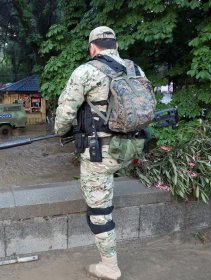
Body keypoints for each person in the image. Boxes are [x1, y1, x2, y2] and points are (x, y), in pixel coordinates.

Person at [54, 26, 146, 280]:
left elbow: (64, 115)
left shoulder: (85, 71)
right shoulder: (135, 69)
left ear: (93, 47)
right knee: (107, 183)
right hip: (130, 148)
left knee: (100, 212)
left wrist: (61, 131)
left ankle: (109, 267)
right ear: (116, 45)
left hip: (100, 154)